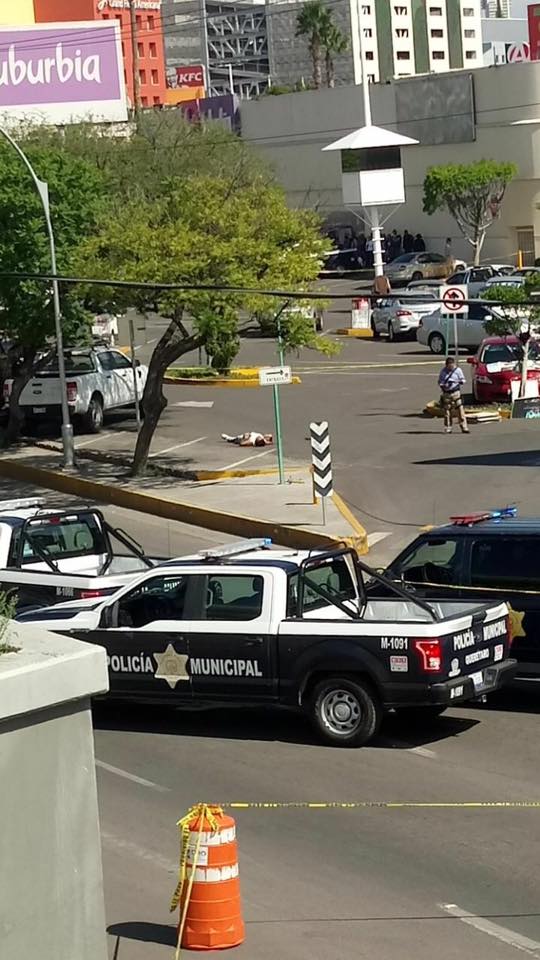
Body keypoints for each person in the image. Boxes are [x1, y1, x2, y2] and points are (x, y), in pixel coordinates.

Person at [438, 357, 469, 434]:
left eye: (452, 366)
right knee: (447, 412)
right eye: (449, 366)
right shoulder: (443, 372)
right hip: (446, 393)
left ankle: (464, 427)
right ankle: (448, 427)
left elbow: (463, 380)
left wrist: (456, 381)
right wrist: (443, 385)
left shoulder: (458, 370)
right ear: (446, 365)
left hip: (456, 392)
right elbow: (440, 382)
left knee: (460, 410)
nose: (451, 368)